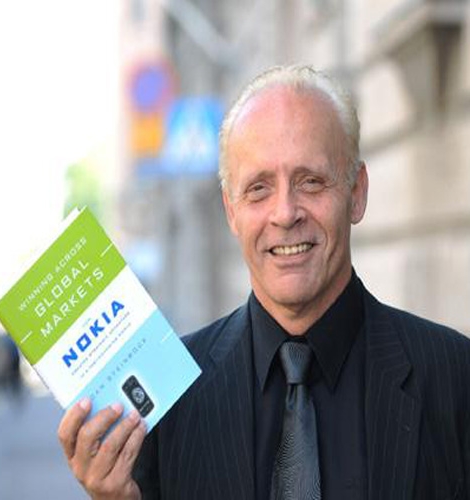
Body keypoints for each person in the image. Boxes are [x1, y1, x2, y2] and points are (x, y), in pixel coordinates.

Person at [58, 65, 470, 499]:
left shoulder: (455, 377)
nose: (285, 213)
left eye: (311, 182)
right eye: (258, 188)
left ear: (356, 193)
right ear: (231, 211)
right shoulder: (166, 400)